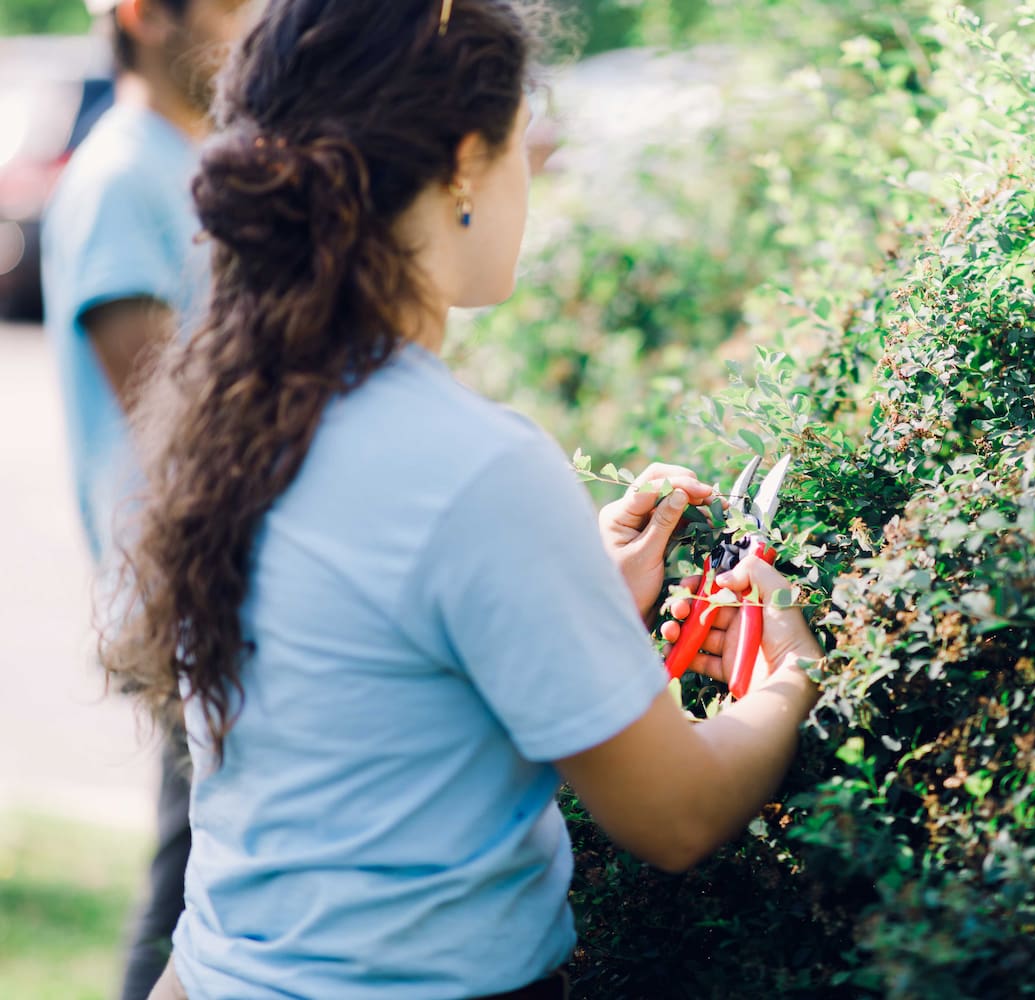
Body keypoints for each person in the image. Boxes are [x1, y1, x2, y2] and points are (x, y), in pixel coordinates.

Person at [100, 1, 827, 997]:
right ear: (463, 164)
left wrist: (577, 602)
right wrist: (788, 674)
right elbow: (679, 814)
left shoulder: (228, 433)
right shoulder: (473, 468)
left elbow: (354, 739)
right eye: (525, 140)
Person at [39, 3, 257, 998]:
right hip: (195, 598)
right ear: (141, 14)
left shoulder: (192, 157)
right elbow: (173, 426)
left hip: (226, 586)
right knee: (189, 893)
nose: (252, 17)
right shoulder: (124, 173)